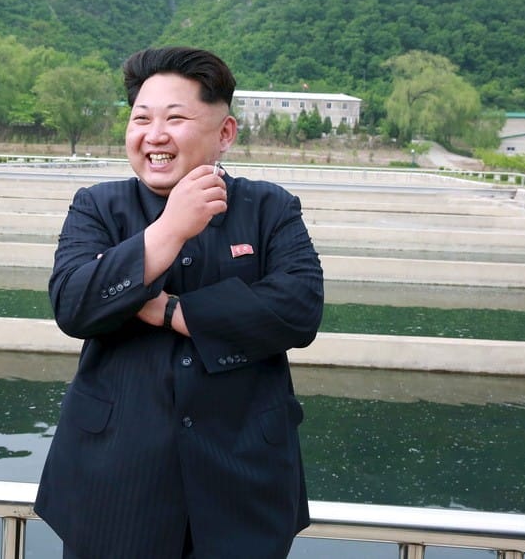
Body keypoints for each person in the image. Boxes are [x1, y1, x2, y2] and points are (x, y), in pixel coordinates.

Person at [34, 46, 325, 559]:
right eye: (141, 119)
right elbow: (73, 305)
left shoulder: (270, 208)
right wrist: (169, 229)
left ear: (225, 133)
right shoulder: (98, 206)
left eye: (175, 118)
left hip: (244, 486)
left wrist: (168, 310)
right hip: (113, 485)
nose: (154, 135)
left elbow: (298, 310)